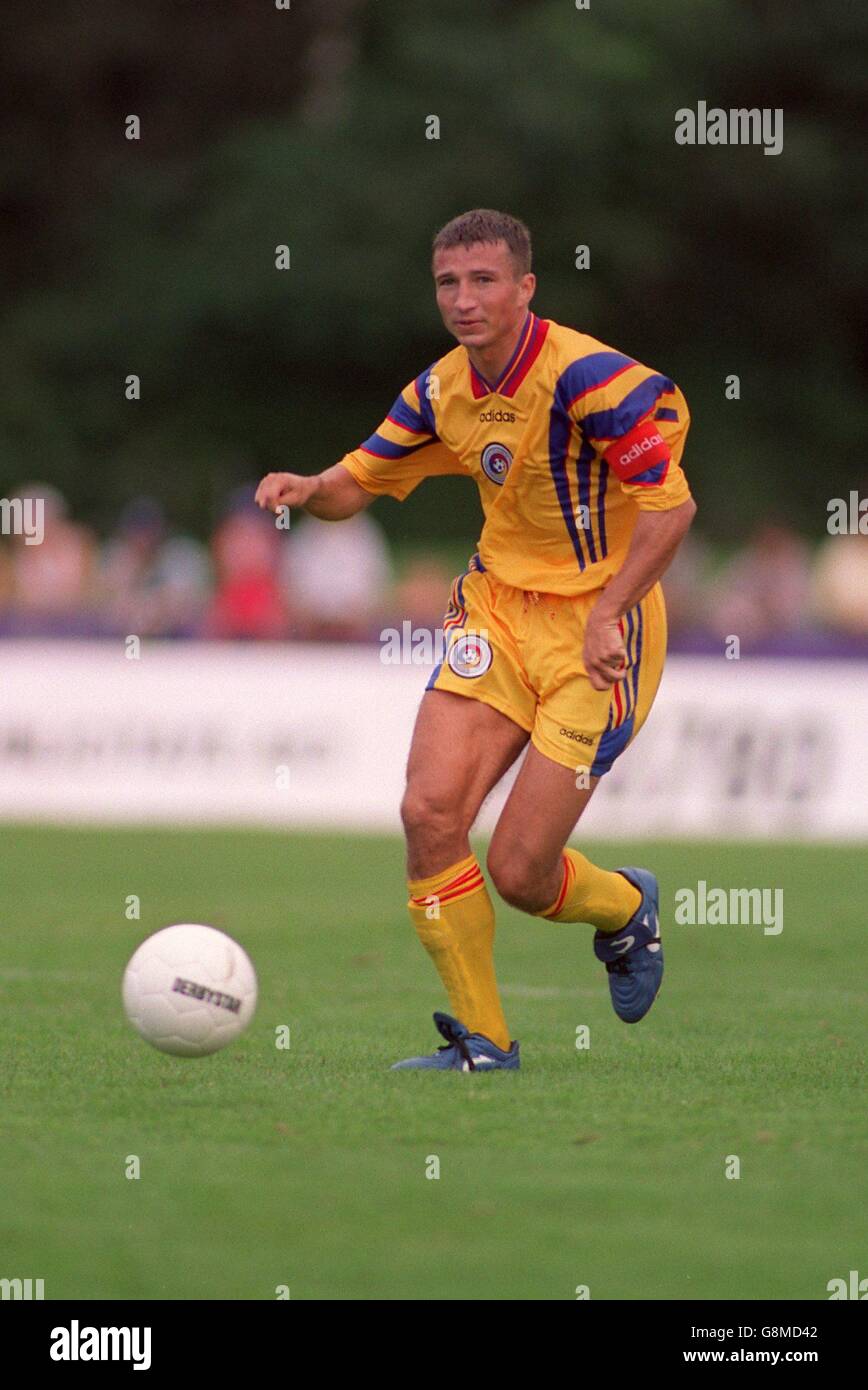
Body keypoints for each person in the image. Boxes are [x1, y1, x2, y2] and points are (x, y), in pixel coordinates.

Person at [256, 208, 697, 1070]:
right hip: (495, 613)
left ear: (526, 287)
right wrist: (310, 488)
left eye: (483, 280)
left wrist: (610, 610)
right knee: (428, 812)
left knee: (525, 873)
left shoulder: (593, 381)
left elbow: (672, 510)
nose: (464, 300)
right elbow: (361, 481)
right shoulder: (439, 392)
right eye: (449, 283)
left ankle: (622, 908)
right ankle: (486, 1043)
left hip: (598, 628)